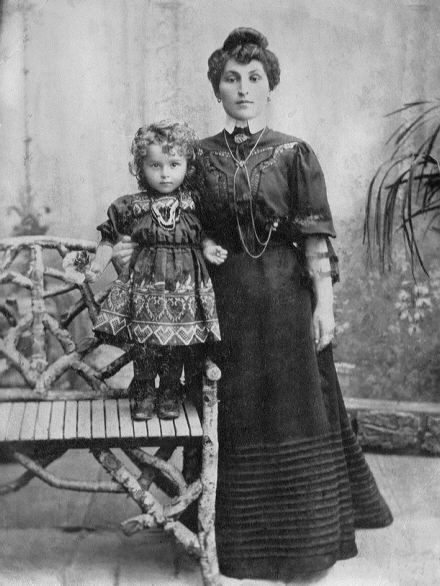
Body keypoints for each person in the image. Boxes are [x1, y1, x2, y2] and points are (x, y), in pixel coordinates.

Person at [111, 28, 393, 582]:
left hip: (288, 300)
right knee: (231, 413)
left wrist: (325, 307)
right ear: (217, 88)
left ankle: (306, 550)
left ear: (270, 86)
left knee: (292, 411)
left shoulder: (294, 152)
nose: (244, 88)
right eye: (232, 79)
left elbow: (315, 240)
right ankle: (224, 542)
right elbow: (170, 218)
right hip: (221, 303)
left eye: (254, 78)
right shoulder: (195, 157)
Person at [88, 120, 221, 421]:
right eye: (155, 165)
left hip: (182, 292)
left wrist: (210, 248)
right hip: (145, 292)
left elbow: (204, 235)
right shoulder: (132, 206)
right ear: (141, 166)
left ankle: (171, 391)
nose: (165, 173)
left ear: (187, 165)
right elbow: (108, 236)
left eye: (174, 164)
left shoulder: (194, 204)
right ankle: (145, 392)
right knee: (146, 346)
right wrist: (99, 261)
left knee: (175, 346)